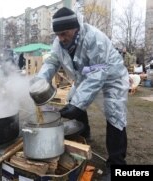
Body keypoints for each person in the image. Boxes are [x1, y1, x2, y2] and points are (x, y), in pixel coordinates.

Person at [30, 7, 129, 170]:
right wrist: (40, 81)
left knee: (115, 114)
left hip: (112, 77)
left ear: (75, 28)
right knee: (72, 99)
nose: (61, 38)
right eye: (58, 34)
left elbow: (98, 72)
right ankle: (84, 134)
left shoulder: (94, 38)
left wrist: (78, 105)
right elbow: (52, 62)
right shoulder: (59, 42)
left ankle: (117, 163)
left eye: (64, 33)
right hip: (85, 76)